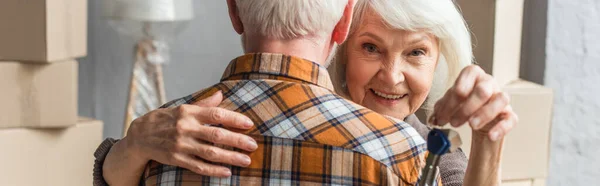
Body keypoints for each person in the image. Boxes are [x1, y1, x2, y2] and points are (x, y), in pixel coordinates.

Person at [94, 0, 517, 186]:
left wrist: (489, 138)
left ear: (233, 10)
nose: (391, 77)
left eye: (417, 53)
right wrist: (133, 146)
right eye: (371, 47)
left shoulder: (429, 152)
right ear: (342, 30)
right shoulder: (404, 154)